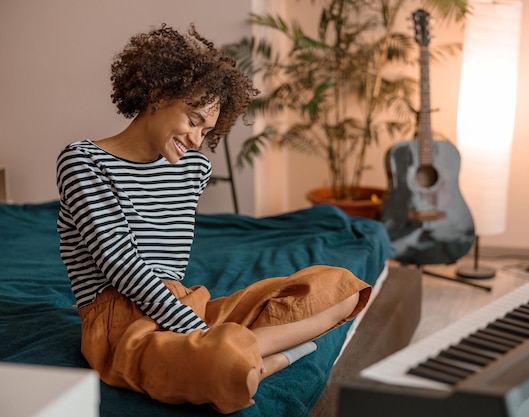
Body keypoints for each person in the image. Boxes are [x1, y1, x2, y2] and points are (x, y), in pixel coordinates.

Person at [55, 24, 371, 414]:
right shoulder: (83, 161)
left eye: (206, 130)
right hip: (119, 325)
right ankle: (258, 357)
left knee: (344, 289)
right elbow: (121, 265)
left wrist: (199, 326)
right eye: (192, 120)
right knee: (225, 365)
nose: (195, 140)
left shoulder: (192, 171)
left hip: (185, 304)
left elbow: (171, 263)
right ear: (157, 95)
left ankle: (240, 352)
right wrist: (200, 334)